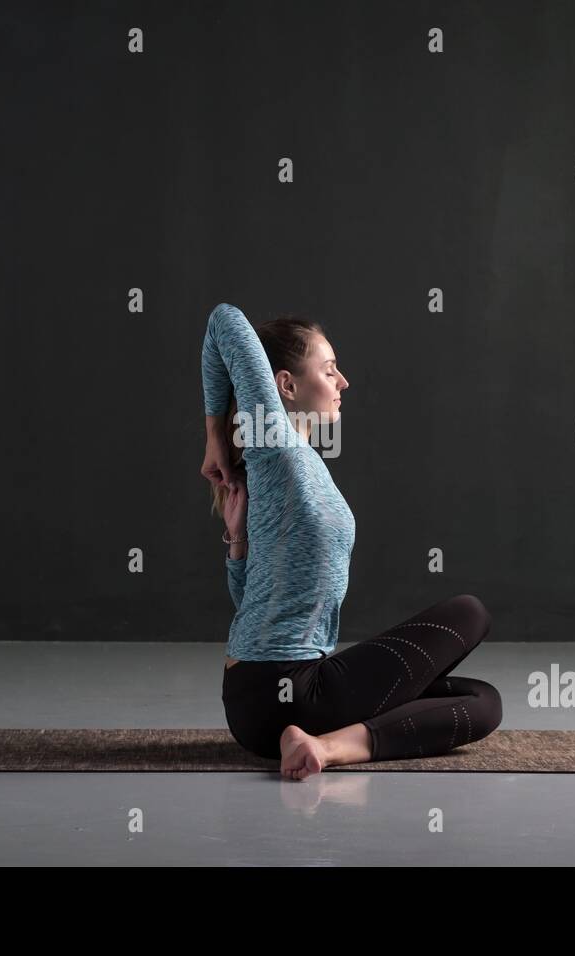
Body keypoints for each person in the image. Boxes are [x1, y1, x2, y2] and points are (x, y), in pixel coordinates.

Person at [200, 302, 502, 780]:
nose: (343, 382)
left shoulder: (284, 467)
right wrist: (215, 435)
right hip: (293, 687)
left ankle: (314, 743)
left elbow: (253, 607)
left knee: (481, 701)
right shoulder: (273, 445)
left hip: (251, 708)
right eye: (329, 369)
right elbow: (225, 319)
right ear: (286, 386)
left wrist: (237, 546)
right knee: (471, 612)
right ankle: (325, 747)